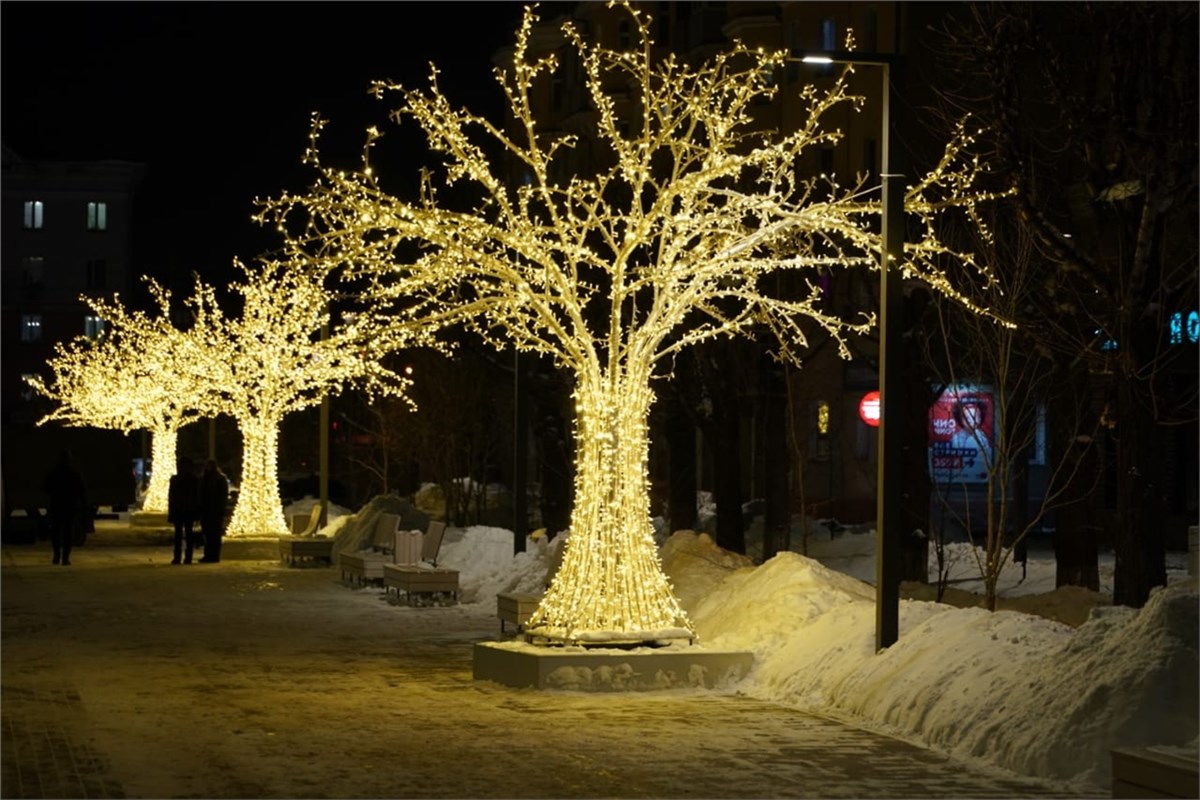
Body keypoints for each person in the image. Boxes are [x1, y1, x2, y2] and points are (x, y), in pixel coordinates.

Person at [43, 449, 88, 566]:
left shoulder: (54, 473)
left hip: (57, 505)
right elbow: (82, 491)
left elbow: (46, 488)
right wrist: (83, 506)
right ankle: (65, 558)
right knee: (68, 532)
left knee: (56, 532)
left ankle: (57, 555)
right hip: (69, 506)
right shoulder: (74, 474)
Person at [167, 457, 200, 564]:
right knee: (188, 534)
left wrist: (171, 512)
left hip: (179, 510)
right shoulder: (194, 479)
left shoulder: (176, 479)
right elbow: (196, 497)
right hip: (188, 510)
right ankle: (188, 557)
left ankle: (177, 557)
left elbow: (172, 497)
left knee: (178, 535)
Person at [198, 459, 229, 563]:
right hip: (207, 511)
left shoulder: (218, 479)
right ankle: (209, 554)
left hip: (213, 511)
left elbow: (222, 496)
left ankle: (213, 555)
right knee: (208, 534)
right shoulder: (205, 478)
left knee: (213, 534)